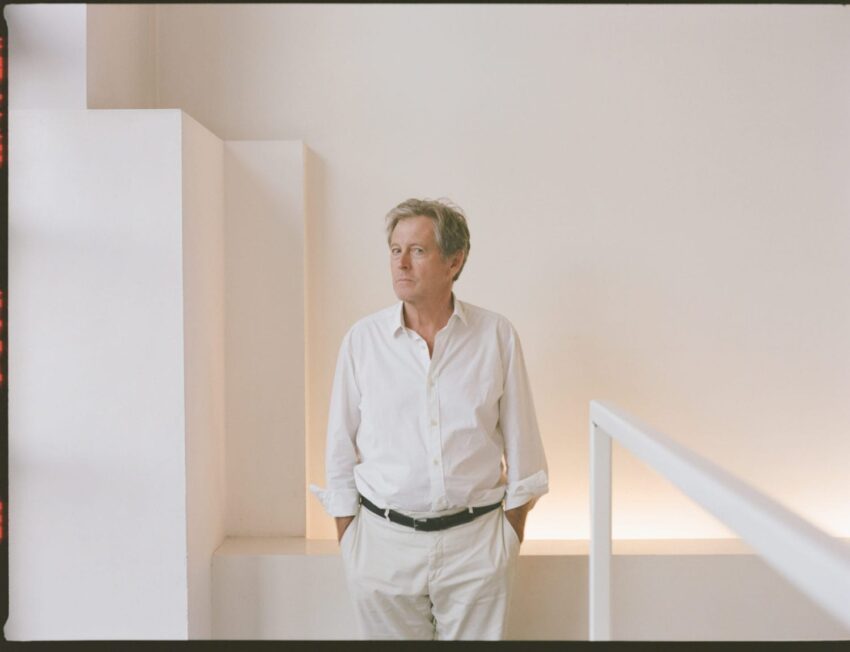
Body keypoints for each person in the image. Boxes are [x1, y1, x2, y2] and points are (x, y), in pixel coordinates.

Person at [309, 197, 548, 640]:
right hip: (382, 548)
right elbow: (339, 448)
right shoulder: (362, 341)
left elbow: (524, 446)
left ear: (454, 261)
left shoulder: (495, 336)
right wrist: (351, 542)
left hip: (476, 547)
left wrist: (508, 539)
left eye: (417, 251)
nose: (401, 263)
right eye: (395, 250)